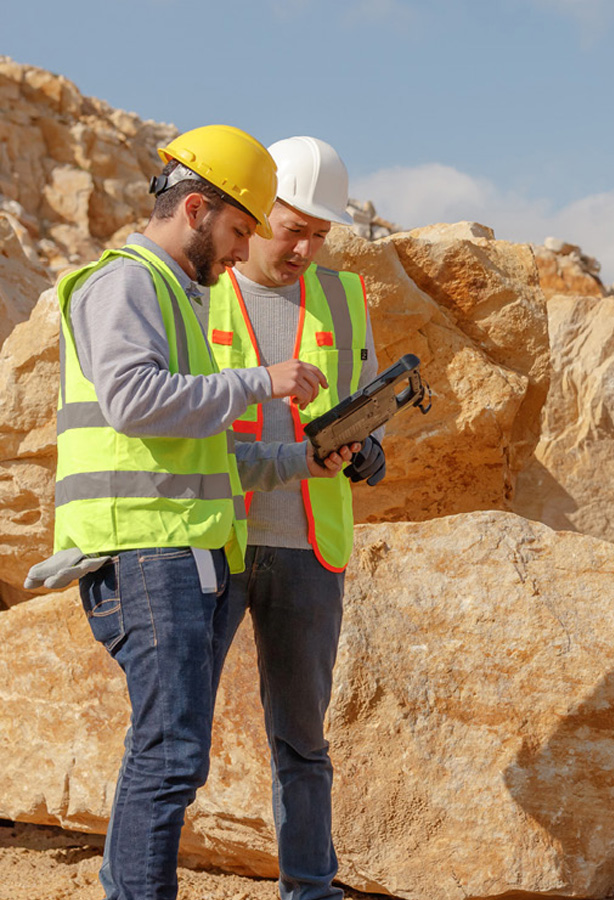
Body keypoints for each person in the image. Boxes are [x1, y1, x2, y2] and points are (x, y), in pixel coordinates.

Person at [41, 124, 360, 900]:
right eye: (239, 230)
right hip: (146, 548)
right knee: (169, 753)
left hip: (178, 546)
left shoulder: (177, 296)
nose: (238, 250)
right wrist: (260, 383)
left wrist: (300, 460)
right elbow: (133, 401)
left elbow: (207, 453)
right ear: (195, 209)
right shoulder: (130, 284)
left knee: (171, 749)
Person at [208, 135, 384, 900]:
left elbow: (365, 397)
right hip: (215, 538)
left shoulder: (345, 298)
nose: (306, 248)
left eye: (322, 234)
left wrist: (370, 446)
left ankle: (310, 888)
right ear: (256, 213)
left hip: (311, 544)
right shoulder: (199, 284)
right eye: (294, 229)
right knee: (172, 735)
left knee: (303, 741)